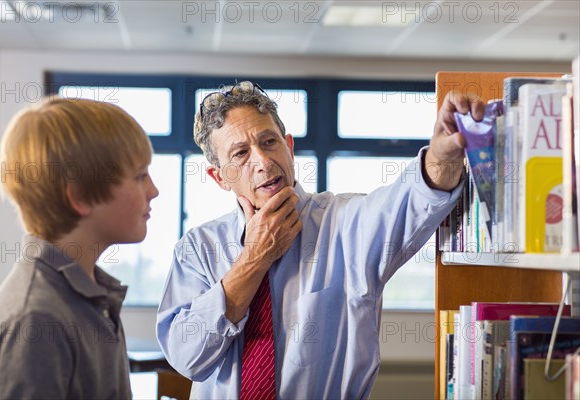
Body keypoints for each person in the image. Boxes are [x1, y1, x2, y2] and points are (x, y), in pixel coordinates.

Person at [157, 81, 484, 398]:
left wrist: (442, 155)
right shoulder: (197, 249)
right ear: (220, 177)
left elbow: (410, 202)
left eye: (269, 142)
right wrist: (255, 258)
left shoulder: (344, 224)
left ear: (289, 146)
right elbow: (187, 358)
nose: (263, 162)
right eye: (241, 153)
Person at [0, 97, 159, 398]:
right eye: (140, 176)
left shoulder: (90, 294)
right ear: (80, 196)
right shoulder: (36, 320)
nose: (154, 190)